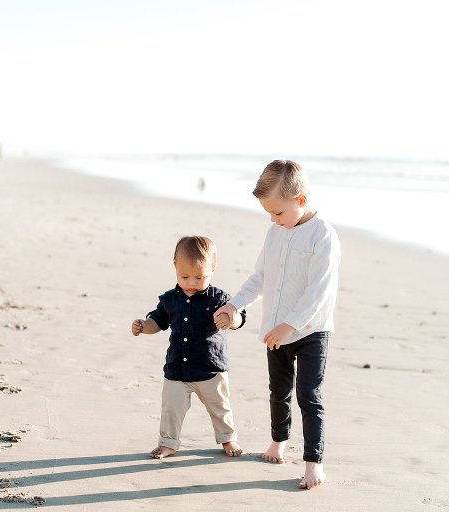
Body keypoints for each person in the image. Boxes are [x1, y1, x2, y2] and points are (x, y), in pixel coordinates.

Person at [213, 160, 341, 490]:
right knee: (278, 392)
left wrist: (290, 324)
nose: (273, 219)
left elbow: (318, 290)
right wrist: (234, 304)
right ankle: (278, 443)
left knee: (308, 395)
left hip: (312, 331)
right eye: (269, 213)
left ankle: (313, 462)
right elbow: (260, 278)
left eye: (278, 212)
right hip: (275, 331)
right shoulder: (275, 232)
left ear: (300, 200)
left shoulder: (322, 235)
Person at [132, 235, 246, 459]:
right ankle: (168, 442)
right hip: (178, 369)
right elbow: (158, 321)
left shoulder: (219, 299)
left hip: (210, 368)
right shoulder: (169, 300)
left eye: (199, 277)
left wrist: (232, 320)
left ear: (213, 269)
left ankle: (228, 437)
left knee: (219, 406)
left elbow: (239, 317)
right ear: (175, 267)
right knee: (171, 409)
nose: (191, 283)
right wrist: (144, 326)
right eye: (184, 276)